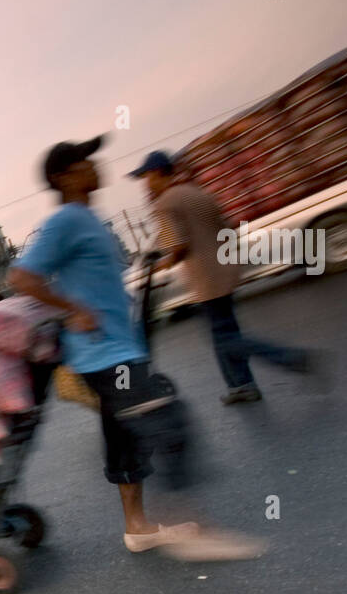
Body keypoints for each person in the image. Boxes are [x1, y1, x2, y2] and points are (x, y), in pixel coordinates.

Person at [9, 136, 259, 561]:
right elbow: (23, 278)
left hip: (118, 348)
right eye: (84, 161)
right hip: (102, 354)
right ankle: (189, 525)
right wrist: (74, 310)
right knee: (167, 420)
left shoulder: (90, 219)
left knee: (125, 437)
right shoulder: (65, 221)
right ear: (63, 177)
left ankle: (138, 528)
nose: (95, 165)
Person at [130, 150, 326, 404]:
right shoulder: (196, 193)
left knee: (226, 339)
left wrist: (160, 266)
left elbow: (178, 247)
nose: (145, 184)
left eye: (146, 177)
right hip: (225, 271)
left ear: (157, 173)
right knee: (224, 334)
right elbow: (225, 229)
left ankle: (290, 358)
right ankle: (241, 386)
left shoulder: (165, 203)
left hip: (207, 280)